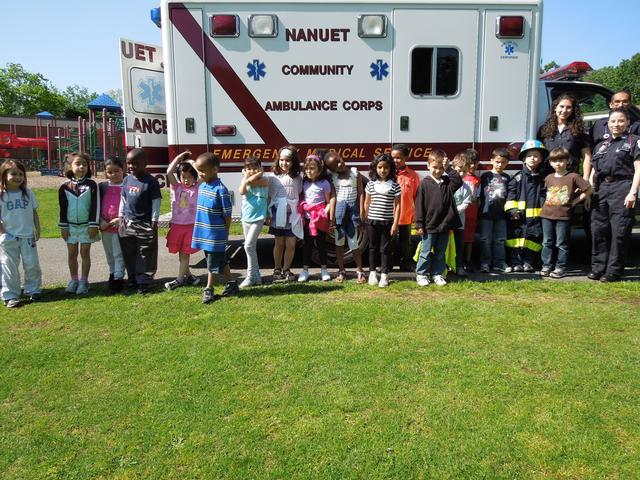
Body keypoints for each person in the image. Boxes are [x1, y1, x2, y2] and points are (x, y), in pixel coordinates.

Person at [589, 108, 640, 282]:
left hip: (623, 187)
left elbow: (639, 169)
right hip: (602, 188)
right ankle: (598, 268)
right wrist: (590, 191)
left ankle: (614, 271)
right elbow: (594, 171)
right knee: (598, 230)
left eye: (620, 121)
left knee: (619, 232)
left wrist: (633, 192)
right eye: (612, 121)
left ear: (627, 123)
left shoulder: (635, 141)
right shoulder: (601, 145)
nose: (616, 124)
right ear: (608, 124)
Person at [192, 152, 239, 303]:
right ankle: (232, 284)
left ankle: (209, 289)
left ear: (215, 170)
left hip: (215, 235)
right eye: (198, 170)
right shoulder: (203, 184)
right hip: (203, 232)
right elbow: (195, 166)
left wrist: (226, 231)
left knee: (212, 264)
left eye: (203, 170)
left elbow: (227, 214)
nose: (200, 173)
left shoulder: (220, 190)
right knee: (220, 259)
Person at [540, 147, 592, 278]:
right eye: (554, 161)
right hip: (546, 215)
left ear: (567, 161)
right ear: (550, 163)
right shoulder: (548, 177)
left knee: (561, 243)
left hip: (563, 216)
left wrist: (575, 202)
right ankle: (546, 265)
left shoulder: (573, 176)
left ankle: (560, 267)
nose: (558, 163)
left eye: (561, 160)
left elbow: (589, 189)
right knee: (547, 242)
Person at [414, 150, 463, 286]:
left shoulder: (447, 182)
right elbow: (418, 205)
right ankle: (421, 274)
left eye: (441, 168)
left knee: (441, 252)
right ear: (428, 166)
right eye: (435, 167)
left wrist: (449, 168)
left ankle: (437, 274)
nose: (437, 170)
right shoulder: (424, 184)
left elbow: (458, 180)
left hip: (444, 225)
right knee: (425, 251)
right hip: (429, 226)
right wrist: (419, 224)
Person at [118, 148, 162, 295]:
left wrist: (154, 220)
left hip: (145, 224)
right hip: (128, 223)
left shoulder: (151, 182)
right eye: (128, 163)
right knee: (129, 253)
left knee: (145, 254)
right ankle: (132, 279)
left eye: (135, 163)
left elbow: (156, 202)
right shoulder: (126, 179)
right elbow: (123, 199)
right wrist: (121, 216)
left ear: (145, 164)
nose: (131, 166)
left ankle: (144, 281)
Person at [0, 160, 42, 308]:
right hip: (9, 237)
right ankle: (10, 295)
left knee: (32, 265)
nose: (18, 177)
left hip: (27, 236)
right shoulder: (1, 195)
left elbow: (34, 212)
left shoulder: (28, 193)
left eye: (21, 174)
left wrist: (37, 228)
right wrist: (4, 234)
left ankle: (33, 289)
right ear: (4, 175)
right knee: (8, 267)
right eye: (13, 174)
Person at [58, 152, 100, 295]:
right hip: (70, 227)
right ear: (70, 166)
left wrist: (93, 224)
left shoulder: (92, 185)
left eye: (85, 164)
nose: (81, 166)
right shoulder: (64, 187)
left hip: (86, 226)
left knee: (85, 253)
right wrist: (63, 227)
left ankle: (84, 281)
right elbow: (62, 208)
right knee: (72, 254)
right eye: (77, 163)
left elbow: (95, 205)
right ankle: (74, 280)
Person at [505, 140, 547, 272]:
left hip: (536, 218)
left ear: (541, 159)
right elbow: (511, 194)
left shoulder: (543, 179)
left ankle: (528, 262)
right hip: (518, 217)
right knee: (516, 239)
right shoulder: (517, 178)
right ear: (523, 159)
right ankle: (515, 262)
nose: (532, 158)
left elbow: (546, 196)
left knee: (533, 238)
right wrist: (512, 210)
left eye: (536, 156)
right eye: (529, 156)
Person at [325, 151, 366, 283]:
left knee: (353, 242)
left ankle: (360, 270)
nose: (340, 164)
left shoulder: (355, 173)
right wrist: (331, 218)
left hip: (353, 213)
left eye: (339, 160)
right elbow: (333, 198)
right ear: (332, 169)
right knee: (339, 242)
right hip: (339, 214)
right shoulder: (334, 178)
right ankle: (341, 270)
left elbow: (361, 193)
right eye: (335, 165)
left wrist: (362, 211)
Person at [163, 150, 202, 291]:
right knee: (181, 253)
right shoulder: (176, 187)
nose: (186, 180)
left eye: (190, 177)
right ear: (179, 177)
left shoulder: (197, 187)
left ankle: (179, 279)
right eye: (183, 177)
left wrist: (192, 163)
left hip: (190, 226)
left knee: (185, 253)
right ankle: (188, 275)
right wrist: (179, 158)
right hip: (177, 225)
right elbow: (169, 172)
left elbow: (202, 175)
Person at [363, 153, 400, 288]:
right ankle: (372, 272)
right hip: (372, 221)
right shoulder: (371, 185)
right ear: (375, 168)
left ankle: (384, 275)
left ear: (390, 169)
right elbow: (367, 203)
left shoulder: (395, 186)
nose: (382, 170)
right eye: (379, 167)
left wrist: (395, 223)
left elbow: (397, 206)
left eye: (386, 168)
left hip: (387, 222)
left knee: (385, 249)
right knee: (372, 248)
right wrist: (364, 219)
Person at [268, 145, 303, 282]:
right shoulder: (273, 177)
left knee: (291, 244)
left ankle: (286, 268)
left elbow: (299, 194)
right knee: (279, 243)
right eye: (281, 160)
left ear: (293, 161)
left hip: (293, 214)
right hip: (278, 213)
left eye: (288, 160)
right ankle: (277, 269)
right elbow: (270, 196)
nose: (284, 163)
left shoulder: (298, 178)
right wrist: (267, 213)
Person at [538, 93, 591, 178]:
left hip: (571, 175)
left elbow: (587, 156)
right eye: (561, 106)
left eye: (568, 107)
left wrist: (585, 179)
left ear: (573, 110)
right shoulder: (543, 129)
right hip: (549, 176)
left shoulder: (579, 129)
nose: (564, 110)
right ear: (555, 107)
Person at [297, 155, 332, 282]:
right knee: (307, 245)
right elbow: (302, 200)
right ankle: (305, 270)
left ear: (319, 170)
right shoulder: (304, 183)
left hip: (320, 220)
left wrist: (324, 213)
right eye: (306, 169)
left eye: (312, 168)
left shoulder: (325, 184)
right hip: (307, 220)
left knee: (321, 245)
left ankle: (324, 270)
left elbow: (328, 202)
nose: (309, 171)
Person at [478, 148, 511, 273]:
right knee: (485, 239)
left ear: (507, 163)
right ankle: (485, 263)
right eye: (497, 161)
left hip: (501, 215)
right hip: (486, 213)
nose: (499, 165)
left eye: (503, 162)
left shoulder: (507, 177)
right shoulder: (485, 176)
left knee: (500, 240)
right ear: (491, 160)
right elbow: (479, 195)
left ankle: (499, 263)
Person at [238, 156, 269, 288]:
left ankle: (250, 276)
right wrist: (245, 177)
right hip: (246, 217)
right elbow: (241, 191)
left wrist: (253, 174)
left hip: (258, 217)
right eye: (249, 168)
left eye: (254, 168)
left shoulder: (264, 179)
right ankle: (256, 276)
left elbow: (251, 181)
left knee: (248, 246)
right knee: (251, 247)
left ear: (260, 168)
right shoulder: (245, 180)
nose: (251, 170)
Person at [390, 144, 420, 271]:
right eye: (393, 157)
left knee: (405, 242)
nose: (395, 160)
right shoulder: (387, 173)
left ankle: (406, 263)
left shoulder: (413, 175)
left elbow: (417, 197)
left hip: (405, 215)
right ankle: (388, 264)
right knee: (389, 242)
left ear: (406, 158)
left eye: (399, 158)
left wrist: (417, 216)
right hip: (389, 215)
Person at [98, 157, 126, 293]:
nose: (113, 174)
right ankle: (112, 272)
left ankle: (118, 277)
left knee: (118, 252)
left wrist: (121, 219)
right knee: (109, 253)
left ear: (123, 170)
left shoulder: (126, 185)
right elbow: (95, 206)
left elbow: (131, 206)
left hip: (119, 225)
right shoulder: (102, 187)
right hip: (105, 226)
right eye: (110, 172)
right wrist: (100, 221)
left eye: (117, 171)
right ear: (105, 173)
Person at [450, 153, 472, 276]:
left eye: (464, 171)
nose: (461, 174)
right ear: (453, 169)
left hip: (459, 222)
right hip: (446, 222)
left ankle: (459, 266)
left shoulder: (467, 187)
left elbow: (466, 203)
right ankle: (444, 266)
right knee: (445, 244)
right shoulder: (446, 183)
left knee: (459, 245)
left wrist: (454, 211)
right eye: (459, 170)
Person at [462, 148, 480, 271]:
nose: (472, 166)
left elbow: (477, 198)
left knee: (469, 239)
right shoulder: (460, 177)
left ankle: (468, 261)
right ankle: (458, 260)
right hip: (461, 213)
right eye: (470, 163)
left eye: (475, 163)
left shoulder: (478, 180)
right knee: (459, 238)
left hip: (472, 214)